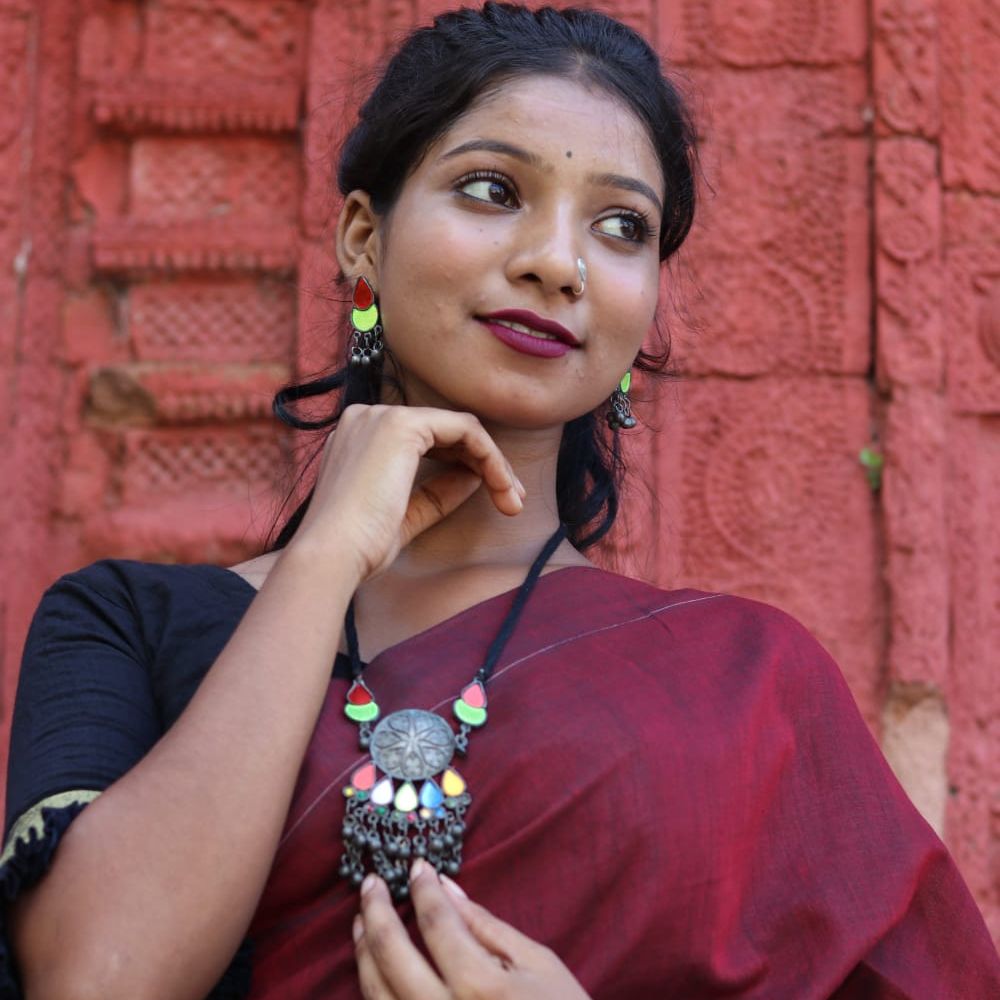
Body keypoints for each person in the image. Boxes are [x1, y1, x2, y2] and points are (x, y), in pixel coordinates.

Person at [2, 3, 998, 998]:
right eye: (491, 189)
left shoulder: (749, 683)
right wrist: (321, 564)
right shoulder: (125, 625)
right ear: (361, 235)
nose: (557, 262)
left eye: (621, 226)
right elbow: (96, 979)